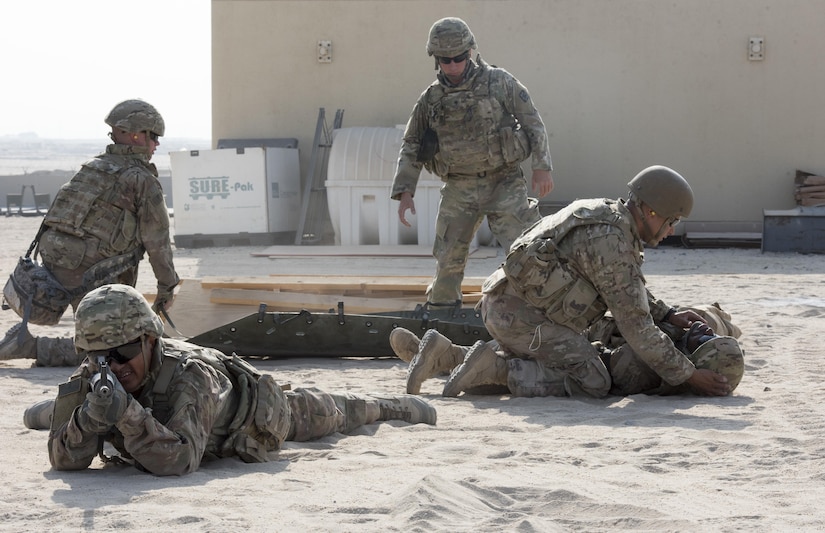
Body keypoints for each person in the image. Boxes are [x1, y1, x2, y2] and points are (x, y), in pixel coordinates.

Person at [391, 165, 745, 398]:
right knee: (593, 380)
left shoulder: (604, 215)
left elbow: (622, 287)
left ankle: (444, 356)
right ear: (651, 211)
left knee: (552, 359)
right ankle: (492, 367)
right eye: (671, 221)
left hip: (504, 307)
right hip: (525, 320)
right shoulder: (613, 241)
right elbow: (636, 327)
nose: (670, 231)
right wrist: (689, 375)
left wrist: (667, 313)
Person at [39, 284, 436, 476]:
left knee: (333, 410)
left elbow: (180, 461)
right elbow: (63, 460)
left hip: (253, 416)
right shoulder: (98, 373)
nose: (114, 366)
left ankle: (390, 405)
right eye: (99, 356)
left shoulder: (188, 378)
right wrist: (87, 419)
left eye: (123, 353)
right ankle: (46, 412)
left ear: (149, 340)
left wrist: (124, 414)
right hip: (175, 418)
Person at [0, 99, 179, 367]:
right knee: (113, 354)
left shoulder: (93, 167)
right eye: (153, 137)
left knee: (104, 342)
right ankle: (31, 346)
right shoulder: (141, 180)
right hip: (97, 276)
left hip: (59, 266)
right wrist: (167, 287)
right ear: (137, 136)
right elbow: (158, 243)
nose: (157, 144)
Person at [391, 17, 554, 307]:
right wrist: (405, 191)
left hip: (504, 182)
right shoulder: (430, 100)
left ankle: (542, 311)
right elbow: (412, 143)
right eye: (445, 59)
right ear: (436, 59)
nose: (453, 66)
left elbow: (533, 122)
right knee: (448, 258)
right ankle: (442, 315)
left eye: (459, 58)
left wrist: (541, 166)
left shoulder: (500, 82)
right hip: (459, 187)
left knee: (527, 252)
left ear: (470, 53)